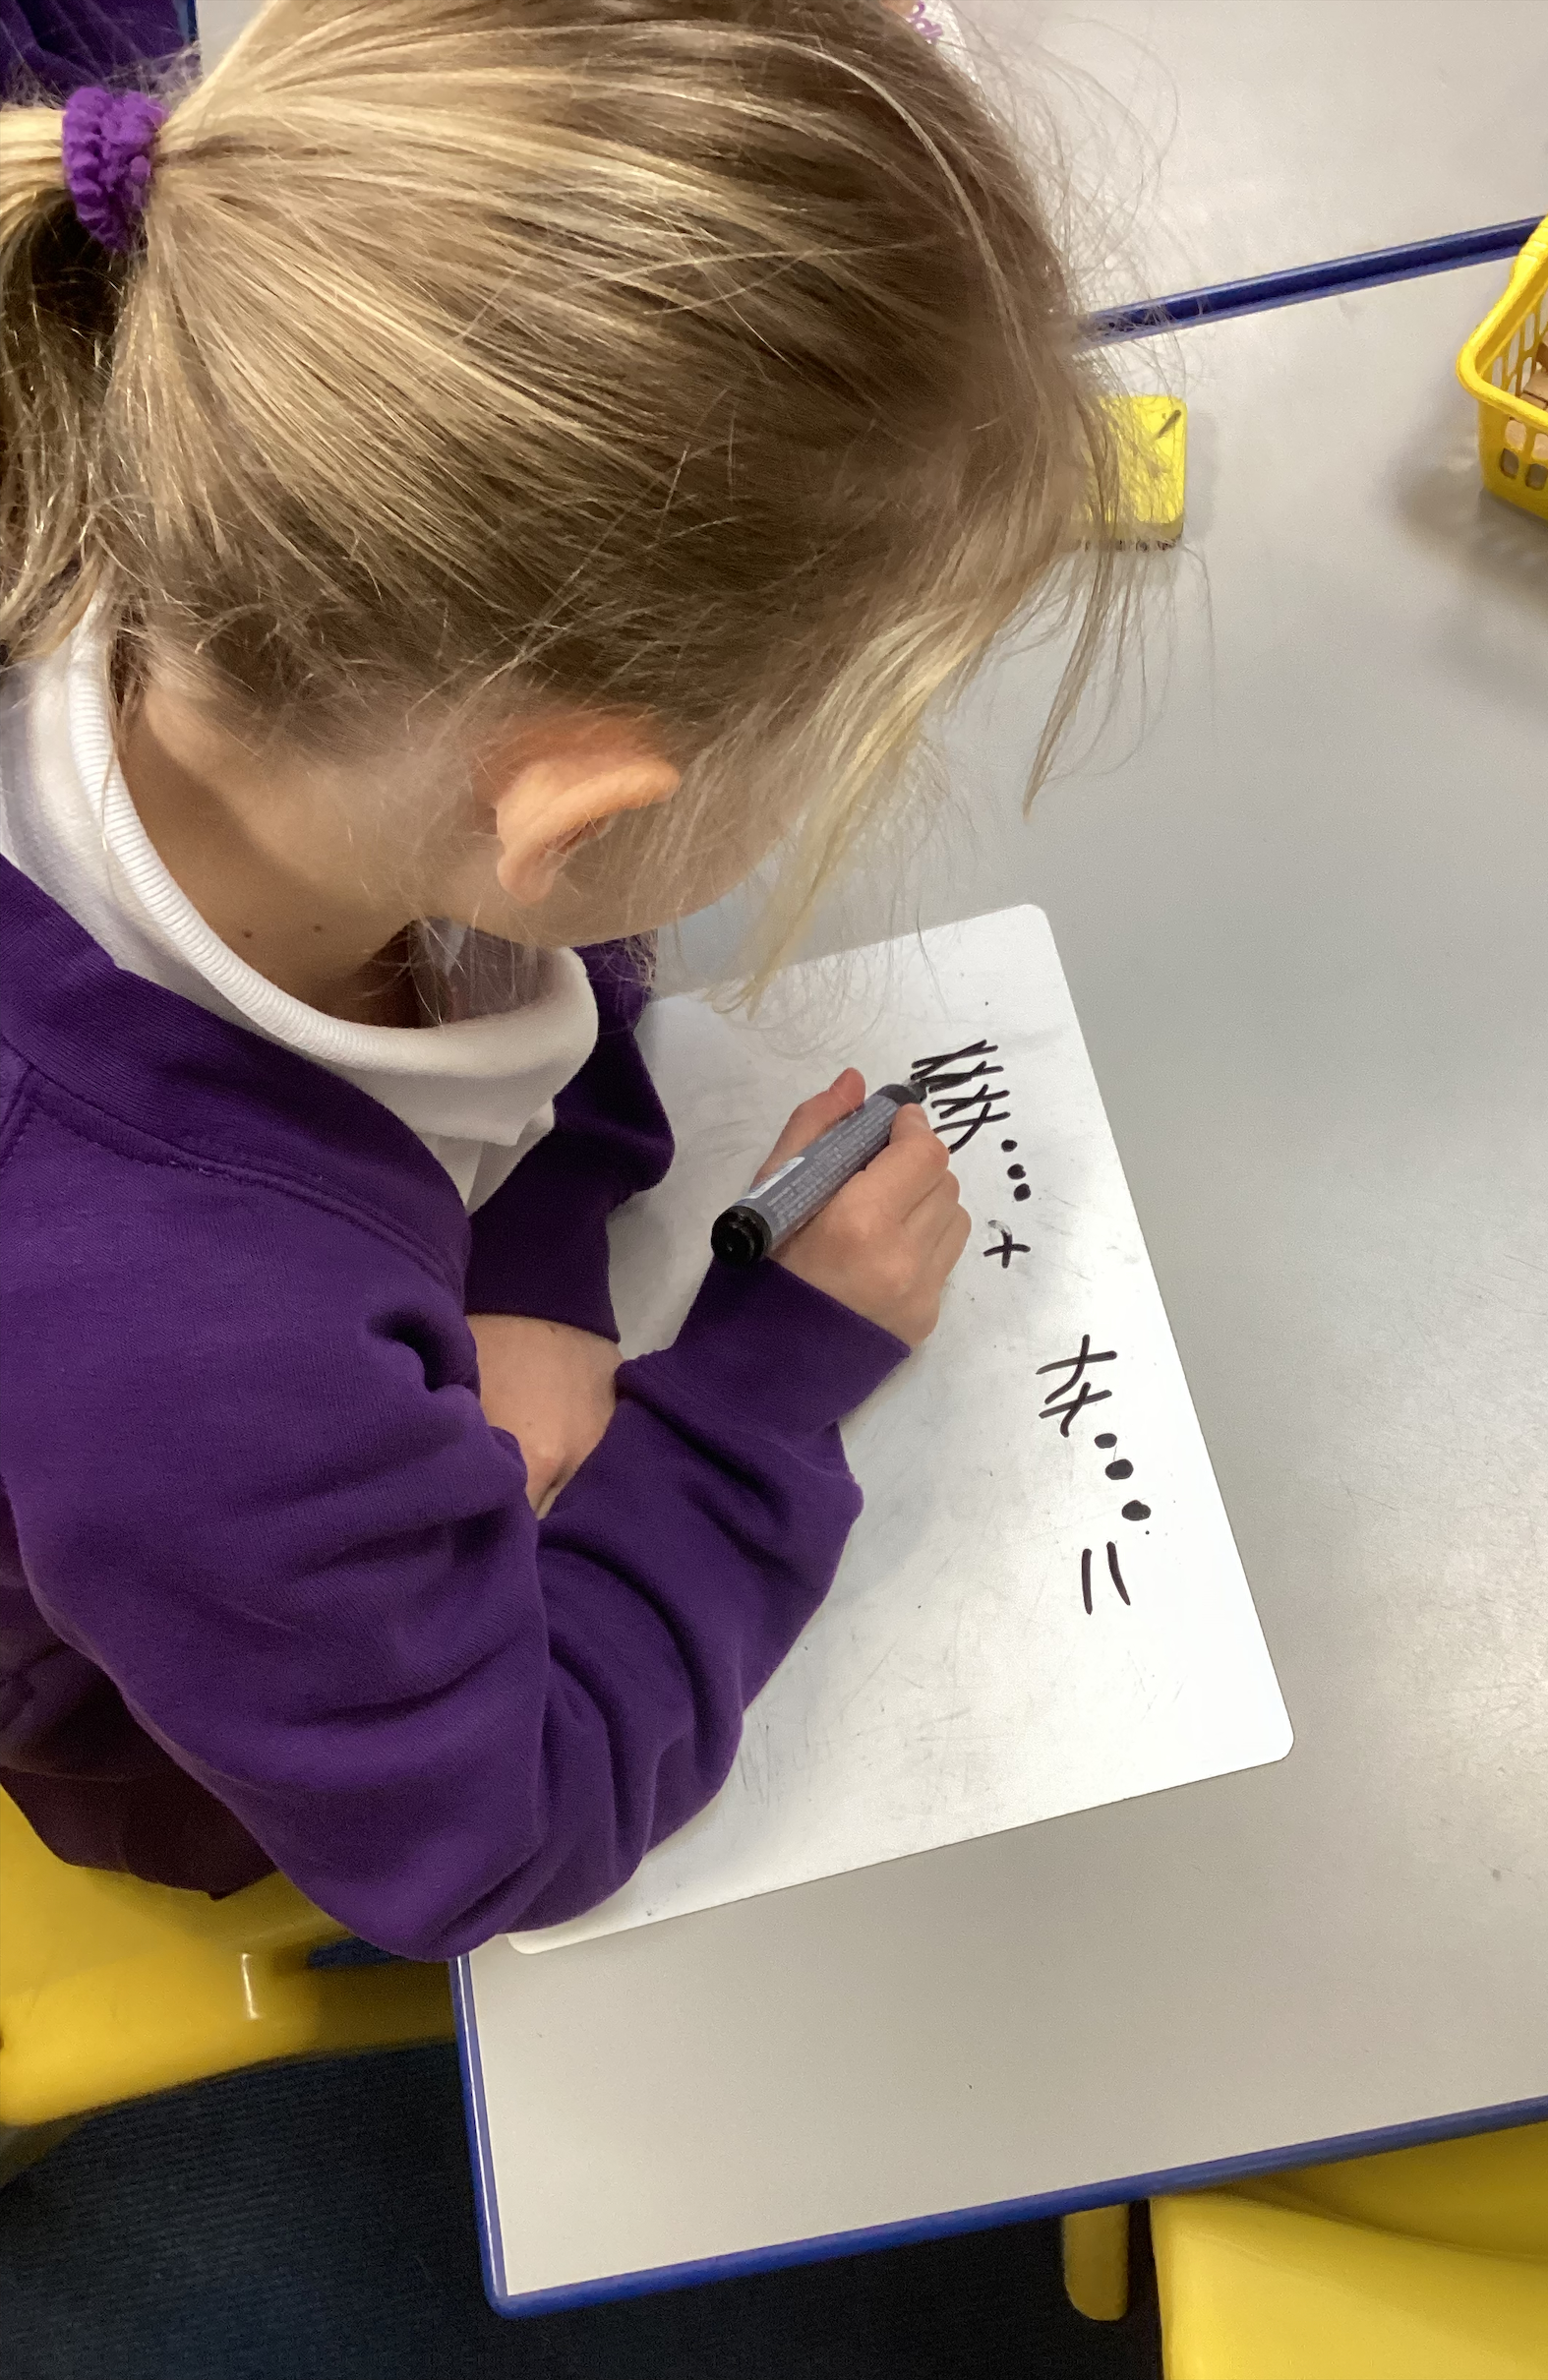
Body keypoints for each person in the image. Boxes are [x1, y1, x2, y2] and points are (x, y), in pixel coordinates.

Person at [0, 0, 1121, 1959]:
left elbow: (518, 923)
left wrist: (537, 1231)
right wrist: (764, 1386)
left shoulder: (202, 548)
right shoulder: (188, 1361)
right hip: (174, 1734)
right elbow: (489, 1829)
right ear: (574, 812)